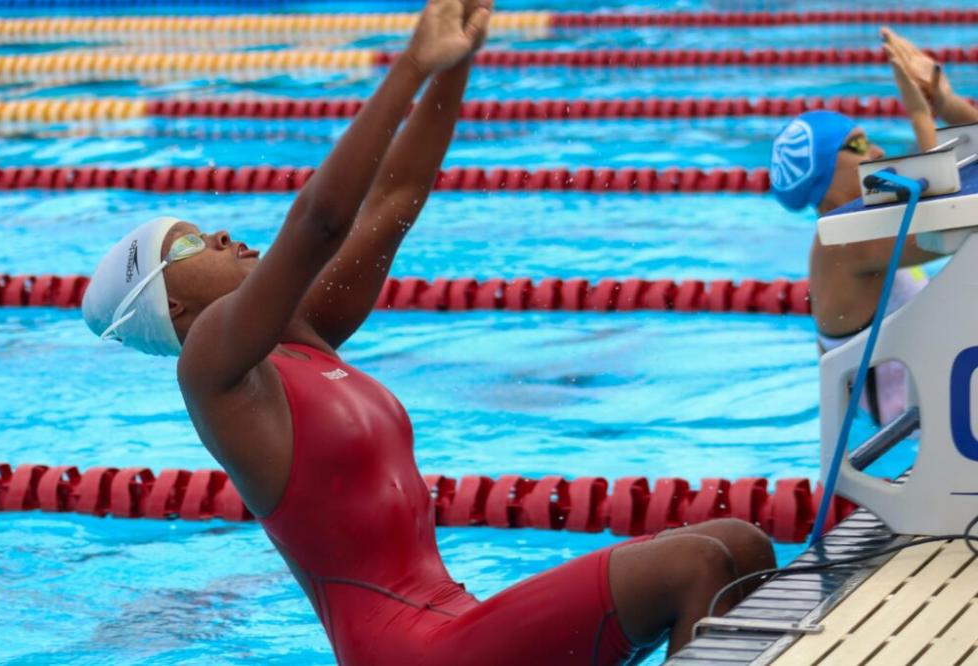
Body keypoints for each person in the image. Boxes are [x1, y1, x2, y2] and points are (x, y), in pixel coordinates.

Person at [82, 1, 775, 663]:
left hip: (452, 617)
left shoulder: (305, 335)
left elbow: (395, 197)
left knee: (743, 545)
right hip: (408, 649)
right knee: (697, 565)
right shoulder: (210, 369)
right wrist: (408, 67)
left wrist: (455, 58)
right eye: (190, 245)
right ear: (172, 310)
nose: (222, 235)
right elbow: (318, 224)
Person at [768, 27, 971, 426]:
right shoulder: (840, 245)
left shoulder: (867, 233)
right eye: (858, 145)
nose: (877, 151)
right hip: (906, 450)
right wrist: (919, 113)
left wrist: (945, 103)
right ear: (823, 174)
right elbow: (955, 217)